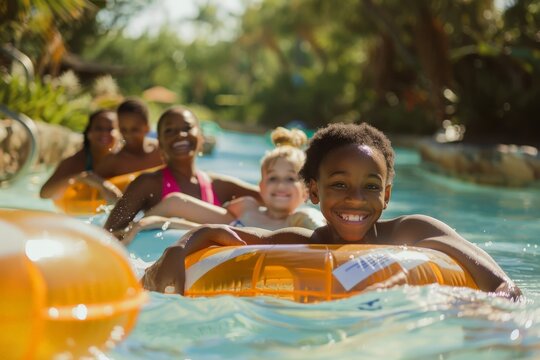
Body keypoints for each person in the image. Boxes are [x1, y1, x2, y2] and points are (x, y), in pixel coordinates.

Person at [141, 122, 522, 301]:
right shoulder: (302, 241)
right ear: (312, 191)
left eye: (371, 187)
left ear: (386, 195)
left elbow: (503, 285)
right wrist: (178, 249)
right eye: (339, 184)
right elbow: (223, 237)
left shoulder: (413, 232)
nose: (356, 198)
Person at [121, 127, 326, 245]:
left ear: (307, 191)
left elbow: (321, 231)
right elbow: (206, 227)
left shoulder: (300, 218)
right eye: (273, 178)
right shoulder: (246, 208)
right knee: (174, 200)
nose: (281, 184)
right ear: (261, 187)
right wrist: (152, 222)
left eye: (291, 179)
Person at [104, 106, 261, 239]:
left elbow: (273, 198)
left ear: (200, 136)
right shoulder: (148, 184)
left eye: (187, 128)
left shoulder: (219, 185)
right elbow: (109, 234)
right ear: (160, 142)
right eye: (170, 131)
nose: (180, 135)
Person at [40, 109, 122, 203]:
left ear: (120, 134)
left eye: (110, 129)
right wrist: (81, 178)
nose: (104, 133)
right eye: (99, 128)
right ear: (89, 133)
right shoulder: (77, 161)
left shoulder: (126, 158)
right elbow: (44, 194)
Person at [94, 98, 164, 178]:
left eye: (135, 129)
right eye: (123, 129)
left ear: (147, 127)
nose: (128, 135)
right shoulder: (114, 161)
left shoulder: (161, 151)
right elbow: (88, 180)